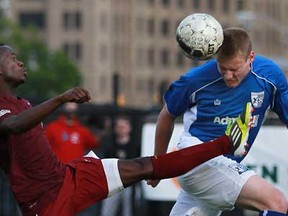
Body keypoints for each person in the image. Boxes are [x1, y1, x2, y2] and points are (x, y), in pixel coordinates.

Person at [0, 43, 250, 216]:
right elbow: (14, 125)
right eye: (12, 58)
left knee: (144, 165)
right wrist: (60, 98)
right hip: (45, 204)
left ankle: (226, 143)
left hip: (67, 176)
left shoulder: (24, 103)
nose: (19, 61)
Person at [147, 28, 288, 216]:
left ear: (251, 58)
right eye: (223, 68)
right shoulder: (195, 79)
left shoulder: (270, 76)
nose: (228, 75)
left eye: (234, 69)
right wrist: (159, 165)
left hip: (222, 167)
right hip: (195, 161)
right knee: (276, 203)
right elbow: (167, 115)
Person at [100, 116, 139, 216]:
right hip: (113, 184)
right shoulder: (110, 145)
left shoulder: (135, 145)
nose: (121, 129)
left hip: (130, 184)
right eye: (119, 126)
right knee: (107, 211)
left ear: (129, 128)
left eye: (124, 126)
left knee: (129, 211)